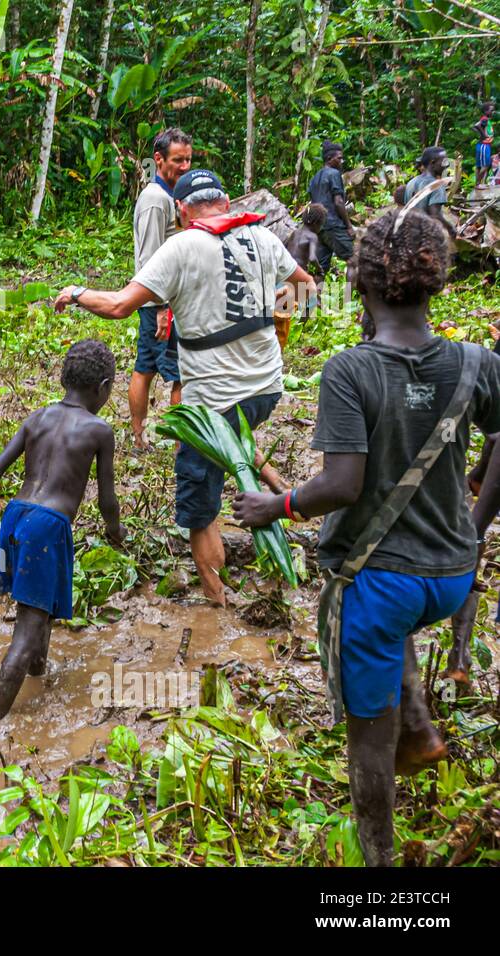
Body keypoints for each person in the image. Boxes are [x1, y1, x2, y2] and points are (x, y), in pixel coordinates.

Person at [233, 210, 500, 867]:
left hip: (383, 586)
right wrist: (475, 524)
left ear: (361, 281)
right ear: (437, 278)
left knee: (366, 740)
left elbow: (344, 484)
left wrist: (278, 505)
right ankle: (417, 722)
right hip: (452, 575)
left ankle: (377, 860)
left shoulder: (350, 371)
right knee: (397, 625)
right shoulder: (476, 363)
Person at [55, 169, 315, 606]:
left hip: (214, 401)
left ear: (181, 210)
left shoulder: (180, 247)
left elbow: (120, 305)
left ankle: (217, 605)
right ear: (226, 200)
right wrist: (269, 321)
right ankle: (288, 492)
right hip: (268, 387)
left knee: (199, 508)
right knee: (231, 433)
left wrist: (77, 292)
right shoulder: (263, 237)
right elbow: (306, 287)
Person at [0, 341, 123, 729]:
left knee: (35, 605)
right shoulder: (99, 430)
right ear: (103, 387)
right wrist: (116, 534)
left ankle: (38, 675)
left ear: (64, 378)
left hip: (14, 518)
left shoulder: (39, 417)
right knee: (28, 628)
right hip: (48, 526)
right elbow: (107, 499)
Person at [129, 128, 193, 448]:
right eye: (177, 160)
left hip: (164, 302)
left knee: (147, 368)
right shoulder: (156, 200)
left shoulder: (171, 196)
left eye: (188, 160)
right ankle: (173, 442)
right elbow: (152, 261)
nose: (184, 166)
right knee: (178, 375)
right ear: (158, 159)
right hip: (158, 304)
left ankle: (143, 437)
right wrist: (161, 309)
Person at [277, 203, 327, 348]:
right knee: (311, 300)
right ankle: (299, 328)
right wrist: (319, 269)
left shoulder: (295, 232)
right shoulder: (312, 236)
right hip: (299, 273)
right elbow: (312, 257)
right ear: (317, 223)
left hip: (285, 272)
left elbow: (283, 248)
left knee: (283, 302)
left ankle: (287, 328)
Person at [308, 141, 355, 276]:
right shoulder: (334, 174)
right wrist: (349, 226)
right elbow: (339, 202)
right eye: (339, 158)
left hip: (319, 228)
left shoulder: (314, 178)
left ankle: (314, 297)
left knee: (320, 269)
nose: (342, 161)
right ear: (329, 159)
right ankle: (348, 297)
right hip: (333, 225)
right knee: (353, 260)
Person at [405, 147, 454, 236]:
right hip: (425, 238)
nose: (446, 165)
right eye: (444, 161)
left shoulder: (411, 182)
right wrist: (451, 229)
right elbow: (435, 215)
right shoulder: (437, 185)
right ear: (433, 163)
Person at [473, 101, 495, 188]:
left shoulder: (486, 119)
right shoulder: (484, 118)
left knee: (479, 166)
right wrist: (484, 135)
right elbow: (477, 125)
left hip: (483, 145)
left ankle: (478, 184)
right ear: (486, 111)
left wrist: (480, 133)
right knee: (485, 165)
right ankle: (478, 183)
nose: (493, 112)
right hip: (484, 145)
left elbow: (474, 126)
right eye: (491, 110)